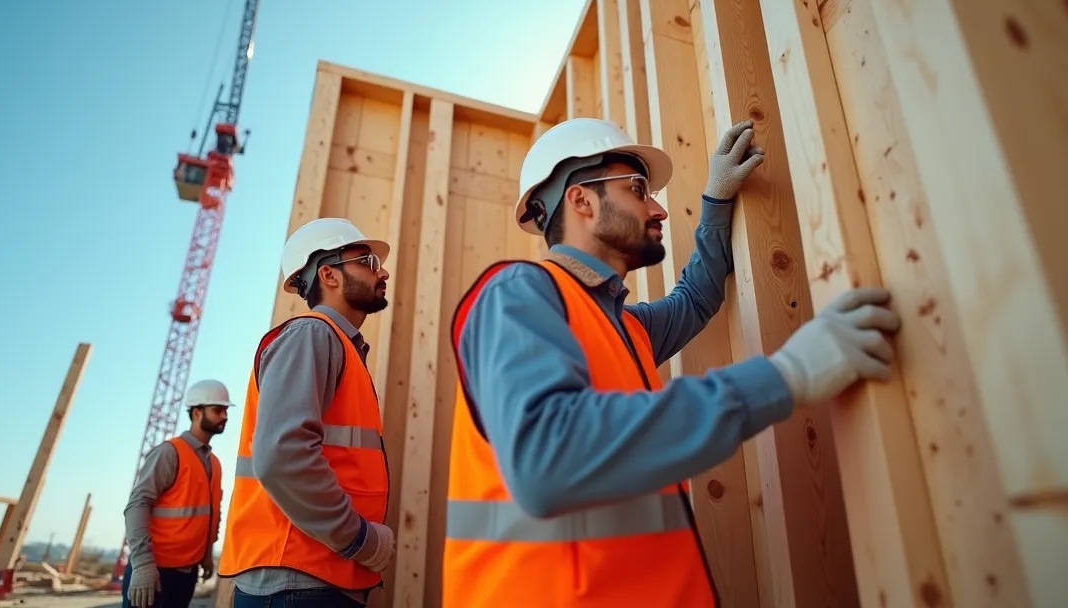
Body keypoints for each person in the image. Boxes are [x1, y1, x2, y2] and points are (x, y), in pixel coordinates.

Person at [442, 118, 903, 607]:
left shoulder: (627, 327)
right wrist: (787, 376)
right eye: (638, 189)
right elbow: (547, 460)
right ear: (581, 201)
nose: (658, 208)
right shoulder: (516, 295)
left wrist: (717, 201)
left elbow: (695, 298)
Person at [219, 217, 394, 608]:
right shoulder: (312, 335)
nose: (382, 272)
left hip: (313, 577)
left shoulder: (336, 344)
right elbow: (282, 456)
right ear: (329, 275)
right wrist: (359, 539)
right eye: (368, 262)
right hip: (298, 581)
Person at [123, 379, 232, 608]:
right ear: (197, 413)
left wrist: (207, 554)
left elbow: (211, 515)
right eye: (217, 410)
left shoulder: (214, 463)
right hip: (155, 572)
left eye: (225, 410)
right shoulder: (169, 452)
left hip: (187, 574)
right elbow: (137, 505)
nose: (224, 416)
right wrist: (142, 564)